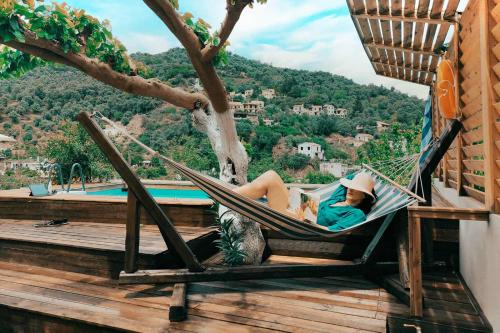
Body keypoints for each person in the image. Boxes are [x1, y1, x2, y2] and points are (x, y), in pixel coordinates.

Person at [233, 171, 377, 231]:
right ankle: (231, 193)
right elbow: (351, 177)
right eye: (349, 187)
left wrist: (307, 222)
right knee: (272, 175)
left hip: (298, 223)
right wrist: (359, 179)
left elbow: (330, 231)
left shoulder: (356, 214)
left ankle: (231, 195)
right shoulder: (339, 198)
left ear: (365, 195)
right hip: (297, 210)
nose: (350, 190)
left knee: (271, 179)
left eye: (356, 189)